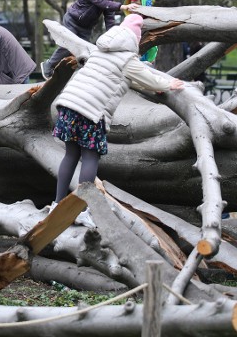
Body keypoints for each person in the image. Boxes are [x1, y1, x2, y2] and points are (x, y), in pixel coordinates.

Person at [50, 14, 185, 227]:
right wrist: (169, 85)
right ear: (134, 39)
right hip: (91, 112)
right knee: (90, 158)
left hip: (68, 104)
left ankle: (57, 204)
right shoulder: (128, 60)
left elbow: (126, 80)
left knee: (71, 154)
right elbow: (148, 78)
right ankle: (80, 210)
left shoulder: (98, 50)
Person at [40, 0, 139, 79]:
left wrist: (113, 35)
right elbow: (101, 2)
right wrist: (122, 7)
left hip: (86, 27)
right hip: (72, 20)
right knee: (68, 44)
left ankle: (73, 75)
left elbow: (109, 15)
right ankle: (48, 65)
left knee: (83, 52)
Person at [125, 0, 158, 65]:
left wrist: (150, 59)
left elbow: (153, 45)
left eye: (137, 6)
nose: (133, 9)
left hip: (146, 57)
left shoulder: (150, 22)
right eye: (132, 5)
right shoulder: (128, 21)